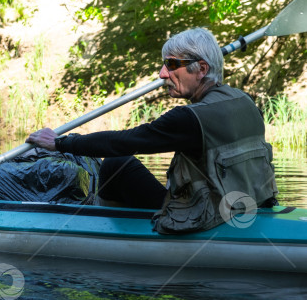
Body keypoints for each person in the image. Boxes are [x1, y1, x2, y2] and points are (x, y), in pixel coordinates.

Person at [26, 27, 278, 234]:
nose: (162, 74)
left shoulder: (189, 119)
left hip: (210, 216)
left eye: (171, 64)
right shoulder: (244, 100)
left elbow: (124, 142)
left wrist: (61, 143)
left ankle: (103, 230)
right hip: (247, 205)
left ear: (201, 69)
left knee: (117, 162)